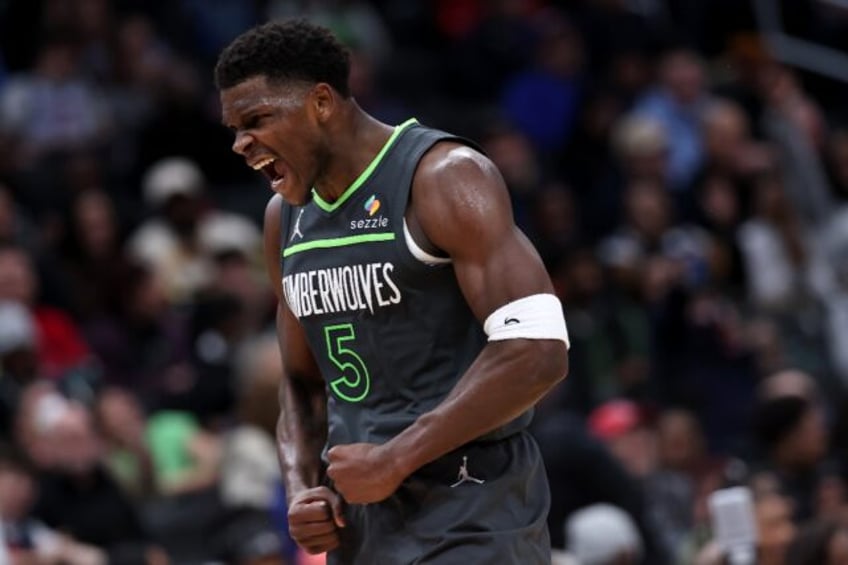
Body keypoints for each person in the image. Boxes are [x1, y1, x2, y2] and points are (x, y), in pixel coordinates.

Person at [215, 19, 570, 564]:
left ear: (322, 103)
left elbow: (538, 351)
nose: (241, 144)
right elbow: (304, 381)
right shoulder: (282, 219)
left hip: (473, 505)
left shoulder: (445, 177)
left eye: (257, 120)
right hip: (365, 519)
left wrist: (397, 457)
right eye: (234, 129)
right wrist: (300, 488)